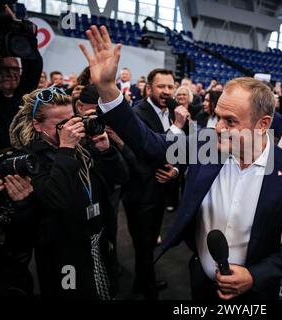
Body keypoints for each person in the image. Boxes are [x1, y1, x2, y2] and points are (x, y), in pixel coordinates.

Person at [79, 25, 282, 300]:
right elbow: (150, 144)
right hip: (200, 282)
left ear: (263, 124)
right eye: (218, 117)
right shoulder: (207, 145)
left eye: (231, 122)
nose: (218, 127)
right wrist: (108, 89)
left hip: (256, 293)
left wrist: (255, 275)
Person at [9, 86, 129, 299]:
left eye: (72, 120)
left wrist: (106, 151)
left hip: (96, 241)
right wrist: (66, 148)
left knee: (103, 291)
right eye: (60, 124)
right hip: (63, 254)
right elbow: (56, 201)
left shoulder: (83, 147)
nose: (70, 128)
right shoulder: (31, 159)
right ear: (38, 125)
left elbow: (120, 179)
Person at [120, 68, 181, 299]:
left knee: (148, 244)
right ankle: (148, 290)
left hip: (160, 192)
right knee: (143, 245)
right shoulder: (137, 114)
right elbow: (148, 153)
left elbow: (183, 151)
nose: (166, 91)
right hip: (140, 192)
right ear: (148, 89)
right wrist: (176, 128)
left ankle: (142, 282)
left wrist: (175, 170)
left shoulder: (175, 112)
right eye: (161, 86)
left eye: (170, 86)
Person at [0, 53, 42, 151]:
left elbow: (34, 67)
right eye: (5, 68)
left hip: (20, 155)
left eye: (15, 69)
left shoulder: (24, 96)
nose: (11, 73)